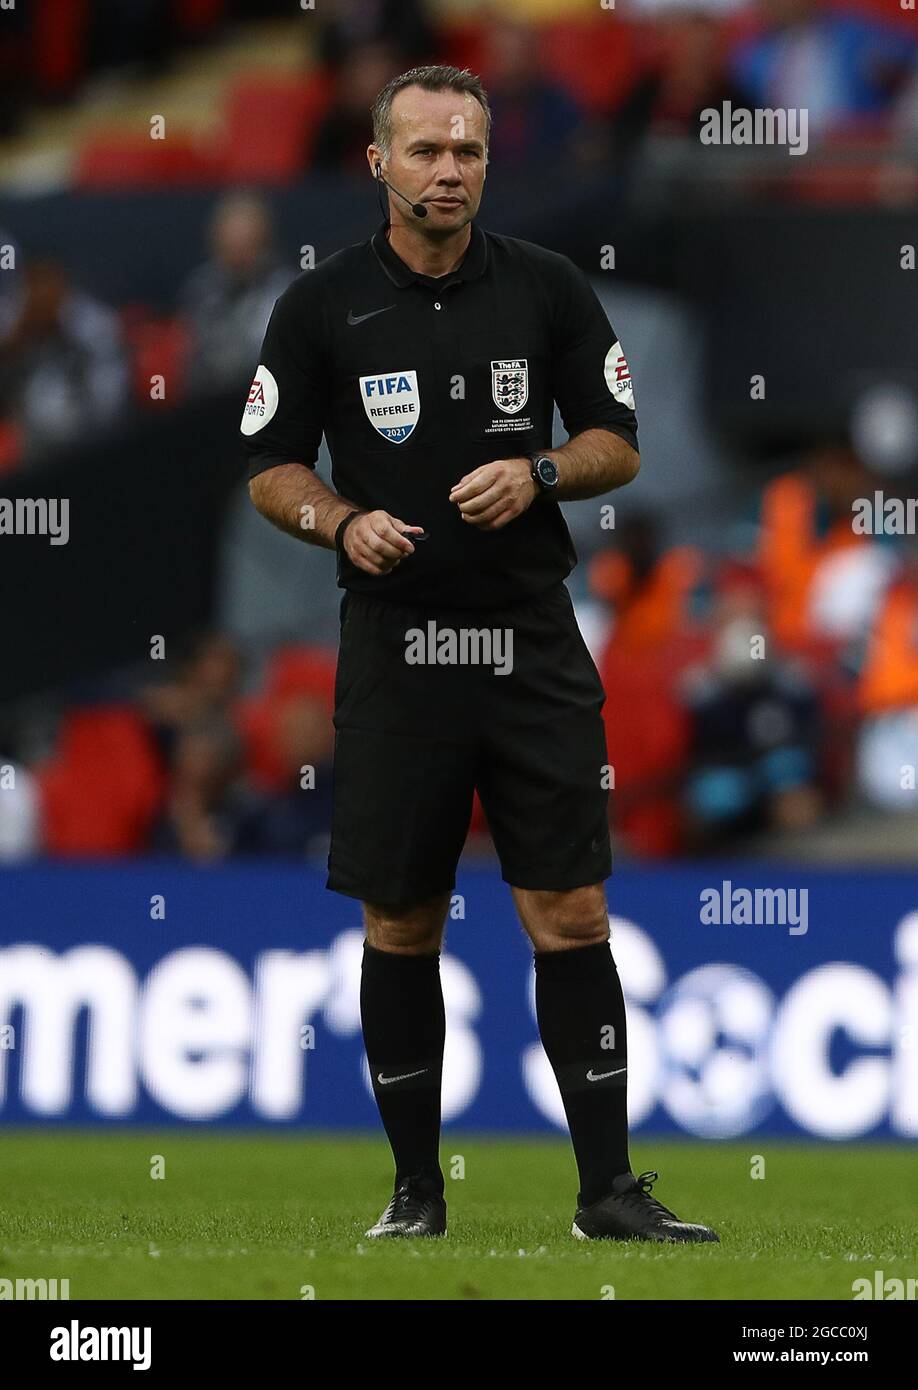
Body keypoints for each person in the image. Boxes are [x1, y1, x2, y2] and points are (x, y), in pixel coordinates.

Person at [242, 64, 718, 1245]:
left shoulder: (549, 289)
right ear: (378, 162)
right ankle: (416, 1195)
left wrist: (544, 469)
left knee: (571, 908)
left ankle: (607, 1190)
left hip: (527, 640)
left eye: (466, 151)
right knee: (402, 920)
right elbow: (267, 468)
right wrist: (344, 520)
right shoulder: (322, 306)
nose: (447, 170)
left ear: (488, 162)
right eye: (425, 151)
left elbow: (620, 440)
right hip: (398, 646)